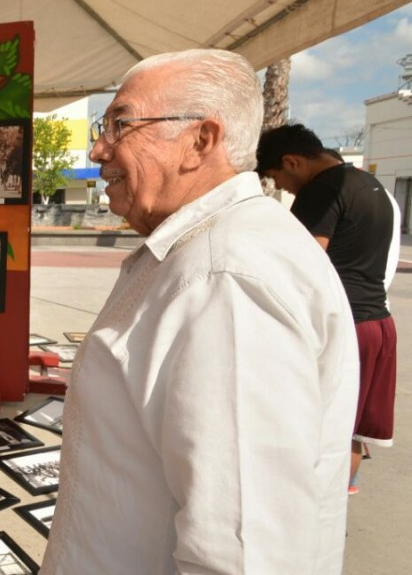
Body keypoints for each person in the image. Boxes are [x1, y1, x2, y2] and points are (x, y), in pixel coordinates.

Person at [41, 49, 358, 574]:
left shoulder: (226, 280)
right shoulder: (218, 251)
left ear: (199, 142)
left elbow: (244, 552)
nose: (98, 149)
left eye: (121, 124)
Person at [257, 123, 398, 495]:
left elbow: (303, 265)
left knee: (321, 426)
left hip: (342, 328)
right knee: (350, 427)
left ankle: (315, 512)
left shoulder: (321, 190)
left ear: (292, 161)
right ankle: (335, 512)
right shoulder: (370, 186)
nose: (283, 188)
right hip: (378, 324)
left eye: (278, 178)